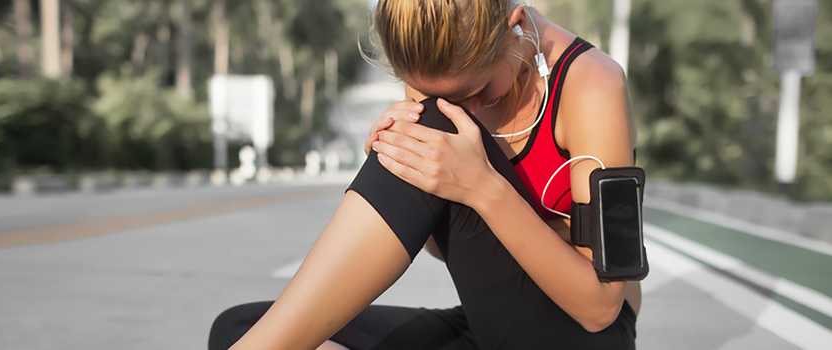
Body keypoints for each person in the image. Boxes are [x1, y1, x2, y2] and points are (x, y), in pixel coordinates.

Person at [208, 1, 640, 349]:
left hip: (581, 336)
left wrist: (483, 187)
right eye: (437, 96)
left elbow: (601, 306)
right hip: (487, 324)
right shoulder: (433, 72)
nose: (464, 112)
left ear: (516, 25)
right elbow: (448, 247)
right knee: (239, 327)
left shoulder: (594, 85)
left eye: (479, 92)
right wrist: (403, 172)